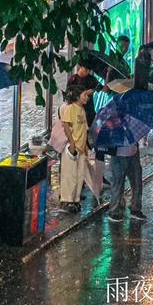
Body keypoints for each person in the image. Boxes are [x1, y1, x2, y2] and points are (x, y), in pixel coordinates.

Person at [58, 83, 96, 212]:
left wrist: (85, 148)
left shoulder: (81, 110)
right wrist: (72, 144)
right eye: (84, 95)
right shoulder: (71, 108)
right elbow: (65, 125)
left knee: (79, 176)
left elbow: (84, 130)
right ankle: (67, 200)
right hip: (72, 149)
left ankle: (75, 199)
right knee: (70, 176)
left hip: (81, 149)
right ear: (77, 96)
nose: (87, 98)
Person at [107, 131, 145, 223]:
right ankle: (114, 211)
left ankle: (135, 208)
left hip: (133, 150)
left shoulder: (132, 119)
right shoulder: (113, 118)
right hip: (119, 151)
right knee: (118, 181)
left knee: (136, 180)